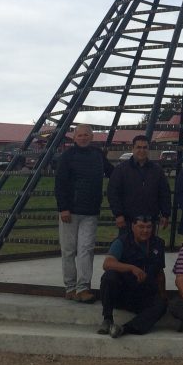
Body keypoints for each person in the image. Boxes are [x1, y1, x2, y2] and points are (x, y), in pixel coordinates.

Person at [54, 123, 114, 303]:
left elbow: (112, 172)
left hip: (90, 211)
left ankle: (83, 287)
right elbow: (60, 183)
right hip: (70, 212)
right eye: (79, 135)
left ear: (92, 137)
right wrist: (63, 207)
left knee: (86, 250)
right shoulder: (67, 157)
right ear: (74, 138)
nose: (83, 138)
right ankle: (70, 287)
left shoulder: (98, 156)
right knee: (68, 250)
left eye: (86, 135)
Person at [96, 215, 168, 338]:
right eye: (141, 227)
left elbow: (160, 273)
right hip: (123, 292)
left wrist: (163, 294)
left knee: (161, 304)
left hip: (143, 293)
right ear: (133, 227)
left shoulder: (158, 244)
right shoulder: (121, 242)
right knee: (109, 276)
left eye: (149, 227)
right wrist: (131, 268)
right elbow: (107, 264)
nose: (145, 231)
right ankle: (107, 319)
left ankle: (124, 329)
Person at [107, 135, 171, 230]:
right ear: (132, 148)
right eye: (139, 147)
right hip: (127, 220)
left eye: (145, 147)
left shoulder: (157, 170)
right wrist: (118, 214)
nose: (142, 150)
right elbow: (113, 192)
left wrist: (165, 214)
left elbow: (164, 193)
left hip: (150, 221)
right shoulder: (121, 169)